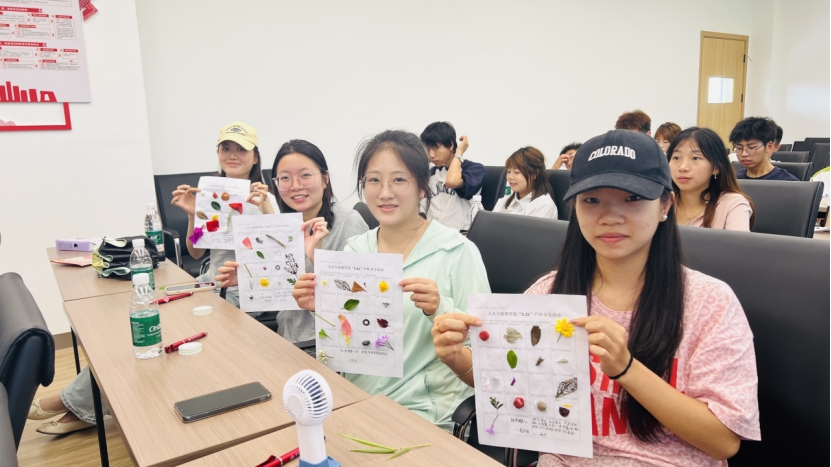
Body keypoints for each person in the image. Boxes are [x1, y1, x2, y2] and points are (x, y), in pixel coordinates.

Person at [432, 130, 760, 465]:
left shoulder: (710, 303)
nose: (609, 216)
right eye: (591, 200)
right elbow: (509, 383)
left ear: (665, 205)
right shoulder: (550, 293)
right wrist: (458, 358)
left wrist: (627, 369)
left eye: (632, 198)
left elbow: (723, 442)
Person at [27, 121, 278, 435]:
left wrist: (266, 210)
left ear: (255, 157)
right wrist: (192, 214)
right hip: (208, 285)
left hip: (242, 292)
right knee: (147, 324)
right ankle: (84, 407)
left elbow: (280, 254)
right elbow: (196, 251)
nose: (233, 155)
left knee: (160, 328)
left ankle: (73, 404)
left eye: (242, 149)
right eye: (226, 148)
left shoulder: (264, 200)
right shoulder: (212, 195)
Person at [291, 130, 490, 433]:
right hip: (353, 402)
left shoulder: (457, 252)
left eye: (399, 180)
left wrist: (439, 308)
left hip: (422, 414)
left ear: (422, 187)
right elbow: (349, 338)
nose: (384, 193)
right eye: (373, 180)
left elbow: (486, 354)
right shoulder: (356, 249)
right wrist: (322, 308)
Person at [215, 139, 369, 343]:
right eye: (285, 178)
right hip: (286, 335)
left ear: (325, 179)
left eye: (305, 175)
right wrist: (248, 279)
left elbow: (357, 298)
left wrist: (317, 258)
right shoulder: (283, 227)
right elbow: (279, 291)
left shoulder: (348, 222)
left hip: (325, 342)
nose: (295, 186)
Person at [668, 127, 755, 231]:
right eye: (676, 158)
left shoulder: (733, 204)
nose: (683, 167)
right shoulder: (661, 201)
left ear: (715, 167)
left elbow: (738, 242)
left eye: (695, 158)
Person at [420, 121, 485, 230]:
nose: (431, 155)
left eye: (436, 148)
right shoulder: (433, 172)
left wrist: (459, 153)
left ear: (450, 145)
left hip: (458, 233)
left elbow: (452, 182)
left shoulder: (474, 169)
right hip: (432, 232)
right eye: (428, 149)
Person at [493, 146, 558, 219]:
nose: (510, 177)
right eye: (508, 171)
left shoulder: (544, 205)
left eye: (517, 172)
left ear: (534, 174)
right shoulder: (503, 202)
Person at [730, 117, 799, 181]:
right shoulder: (733, 180)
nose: (744, 154)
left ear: (769, 146)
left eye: (751, 148)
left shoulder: (787, 181)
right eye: (739, 148)